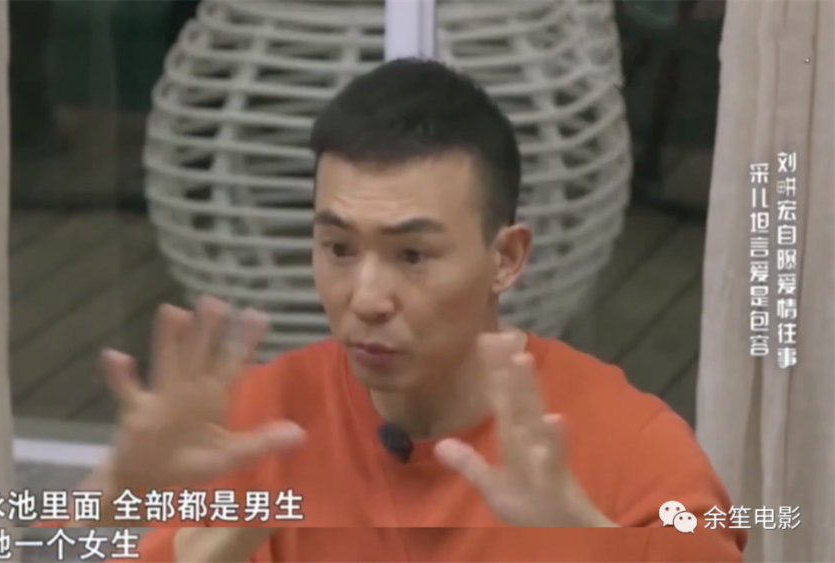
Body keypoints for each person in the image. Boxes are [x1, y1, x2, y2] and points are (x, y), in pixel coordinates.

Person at [39, 59, 745, 562]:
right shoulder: (262, 424)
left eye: (412, 255)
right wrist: (116, 490)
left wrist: (586, 541)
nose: (367, 297)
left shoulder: (629, 443)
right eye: (338, 248)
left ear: (505, 257)